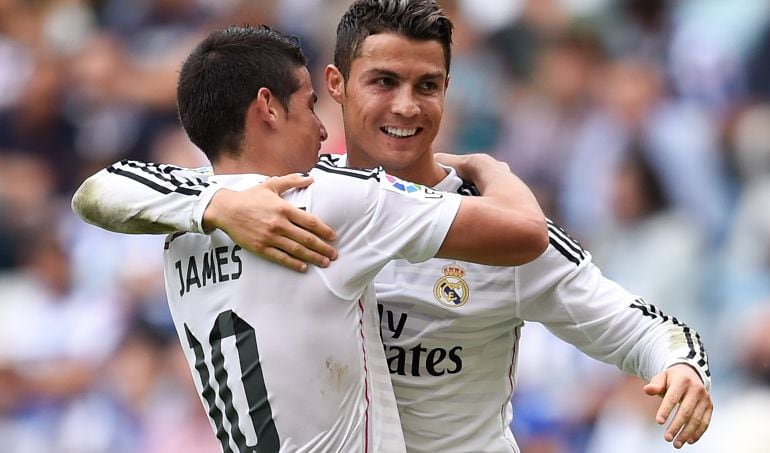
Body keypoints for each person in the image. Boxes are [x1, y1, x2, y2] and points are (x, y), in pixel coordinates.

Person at [72, 1, 713, 451]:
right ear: (336, 86)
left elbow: (640, 326)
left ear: (448, 91)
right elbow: (105, 188)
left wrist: (683, 365)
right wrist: (217, 205)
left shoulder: (477, 217)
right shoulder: (287, 197)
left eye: (427, 85)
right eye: (384, 81)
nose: (407, 105)